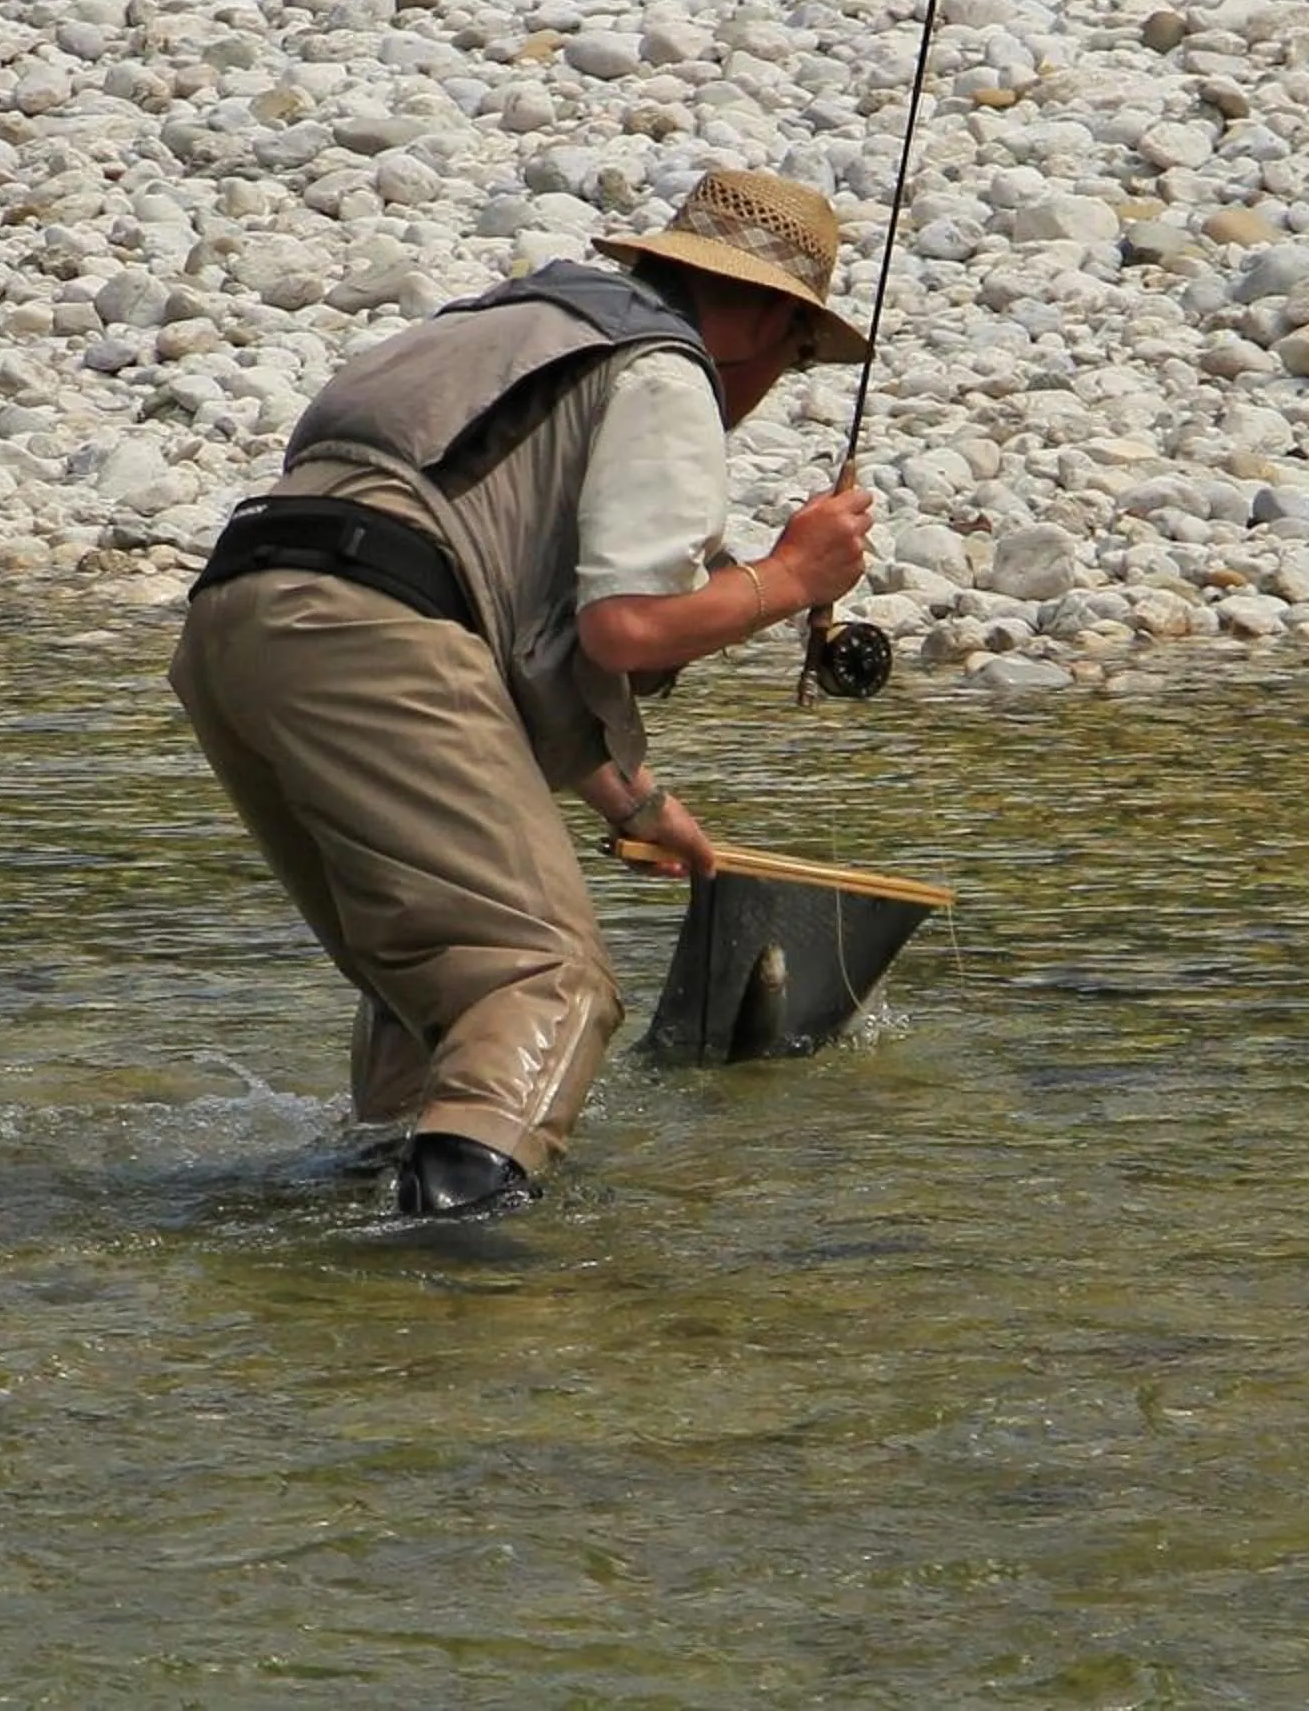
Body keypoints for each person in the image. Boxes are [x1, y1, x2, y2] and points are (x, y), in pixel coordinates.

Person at [169, 165, 876, 1219]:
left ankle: (368, 1222)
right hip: (368, 630)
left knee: (435, 978)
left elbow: (488, 609)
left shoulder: (495, 329)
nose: (780, 378)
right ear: (772, 318)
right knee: (541, 977)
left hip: (236, 622)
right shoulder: (665, 368)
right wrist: (794, 577)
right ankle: (462, 1262)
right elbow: (624, 628)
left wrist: (634, 802)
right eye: (800, 354)